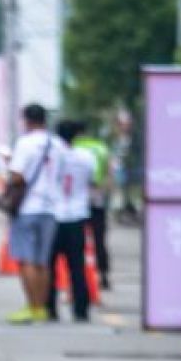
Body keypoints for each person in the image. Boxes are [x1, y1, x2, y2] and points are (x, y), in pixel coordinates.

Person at [4, 103, 65, 324]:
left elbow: (18, 176)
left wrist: (9, 167)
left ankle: (32, 306)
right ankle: (42, 309)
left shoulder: (25, 143)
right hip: (51, 209)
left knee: (26, 259)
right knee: (42, 261)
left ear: (26, 120)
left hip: (28, 207)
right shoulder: (57, 144)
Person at [48, 120, 95, 322]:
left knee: (49, 265)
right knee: (77, 266)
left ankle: (50, 308)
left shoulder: (52, 156)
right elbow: (91, 180)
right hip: (77, 215)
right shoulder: (86, 157)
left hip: (54, 215)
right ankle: (81, 309)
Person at [72, 124, 112, 289]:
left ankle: (79, 277)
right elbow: (108, 176)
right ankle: (103, 275)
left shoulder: (71, 148)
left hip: (77, 203)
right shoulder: (101, 148)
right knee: (99, 240)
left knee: (77, 243)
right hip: (97, 200)